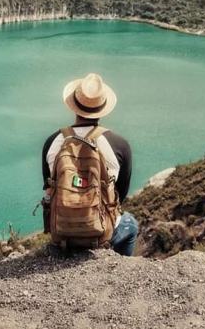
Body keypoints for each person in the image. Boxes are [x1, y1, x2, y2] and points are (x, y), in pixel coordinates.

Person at [42, 72, 138, 256]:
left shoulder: (53, 141)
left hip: (60, 231)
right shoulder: (119, 144)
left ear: (74, 106)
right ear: (103, 108)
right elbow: (121, 193)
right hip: (102, 232)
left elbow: (48, 186)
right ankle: (120, 265)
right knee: (131, 224)